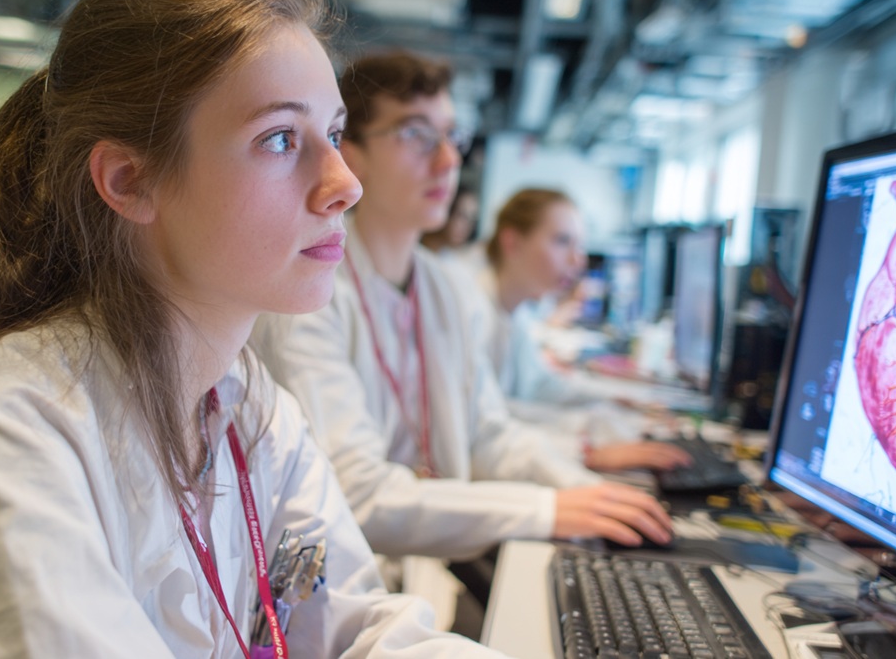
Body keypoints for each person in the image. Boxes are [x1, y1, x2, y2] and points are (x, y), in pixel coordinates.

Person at [0, 0, 511, 658]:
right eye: (279, 140)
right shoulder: (19, 435)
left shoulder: (248, 404)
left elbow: (356, 628)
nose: (344, 185)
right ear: (130, 180)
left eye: (332, 132)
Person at [252, 50, 674, 573]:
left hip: (428, 560)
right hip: (343, 577)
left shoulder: (443, 289)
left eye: (452, 137)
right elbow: (355, 493)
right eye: (416, 135)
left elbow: (487, 434)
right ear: (349, 155)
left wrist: (588, 492)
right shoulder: (310, 297)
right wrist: (546, 509)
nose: (448, 161)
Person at [479, 188, 692, 472]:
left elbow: (541, 385)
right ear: (512, 241)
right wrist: (588, 447)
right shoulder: (475, 311)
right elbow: (491, 418)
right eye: (562, 241)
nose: (578, 260)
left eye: (579, 246)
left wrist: (608, 398)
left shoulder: (514, 312)